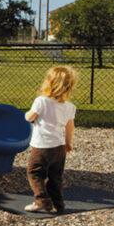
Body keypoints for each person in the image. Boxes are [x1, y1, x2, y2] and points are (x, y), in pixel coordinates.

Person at [24, 66, 77, 213]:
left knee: (34, 173)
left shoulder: (41, 101)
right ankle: (58, 204)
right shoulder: (69, 106)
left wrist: (27, 114)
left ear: (49, 83)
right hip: (59, 146)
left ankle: (42, 201)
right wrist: (68, 143)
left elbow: (29, 117)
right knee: (55, 176)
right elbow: (69, 127)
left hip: (42, 146)